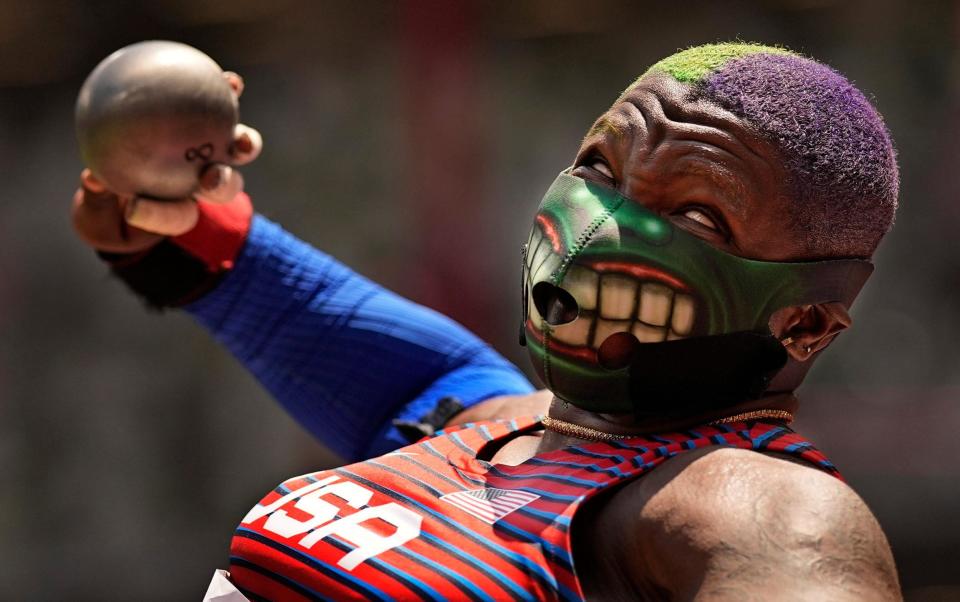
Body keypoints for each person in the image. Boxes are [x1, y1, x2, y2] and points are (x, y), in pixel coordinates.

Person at [73, 43, 902, 600]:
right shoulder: (477, 418)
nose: (600, 226)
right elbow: (291, 302)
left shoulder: (761, 509)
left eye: (697, 216)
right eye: (599, 167)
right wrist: (175, 206)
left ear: (807, 325)